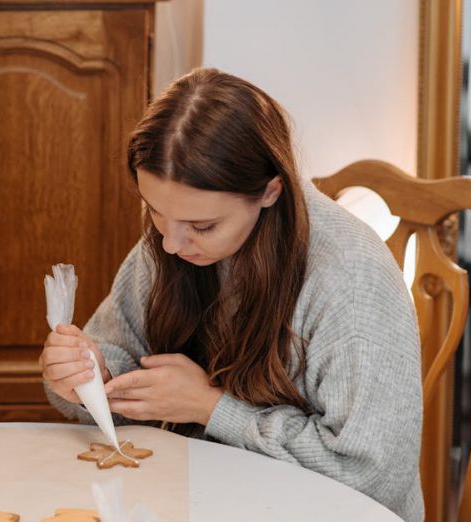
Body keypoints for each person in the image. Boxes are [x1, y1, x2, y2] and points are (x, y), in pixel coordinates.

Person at [40, 68, 423, 521]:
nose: (169, 245)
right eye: (156, 213)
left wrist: (210, 406)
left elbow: (369, 475)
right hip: (207, 501)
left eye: (203, 226)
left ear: (269, 191)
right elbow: (120, 358)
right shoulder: (172, 242)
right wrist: (90, 378)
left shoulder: (350, 275)